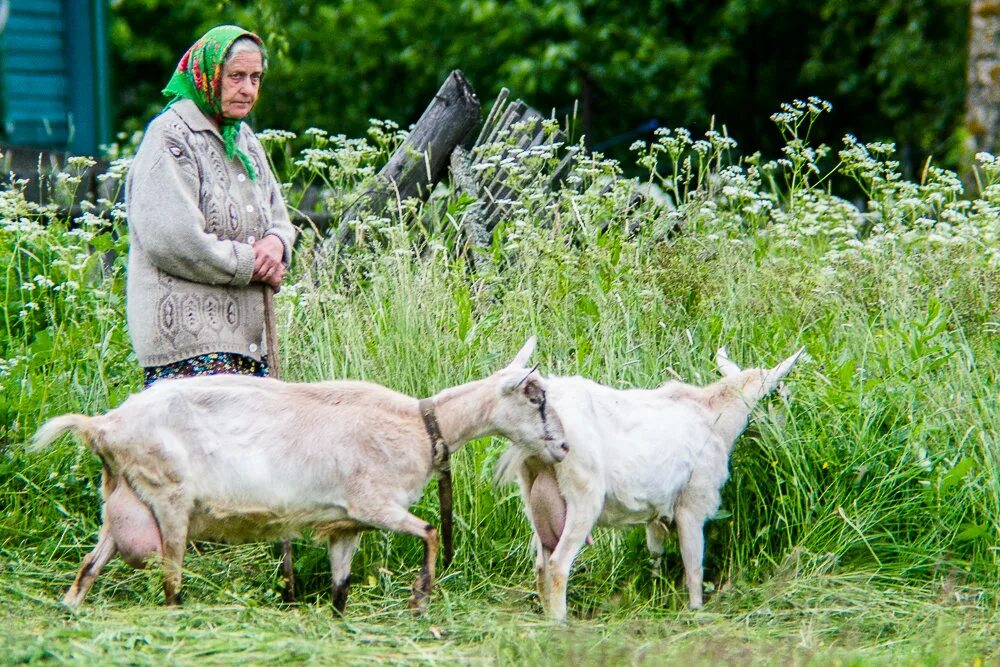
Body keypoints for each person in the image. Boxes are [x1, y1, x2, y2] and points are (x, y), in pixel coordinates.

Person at [124, 25, 295, 387]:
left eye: (255, 77)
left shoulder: (244, 139)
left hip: (247, 345)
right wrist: (253, 263)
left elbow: (279, 219)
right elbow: (174, 239)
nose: (247, 89)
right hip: (190, 348)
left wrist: (277, 245)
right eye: (235, 76)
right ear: (207, 76)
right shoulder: (170, 135)